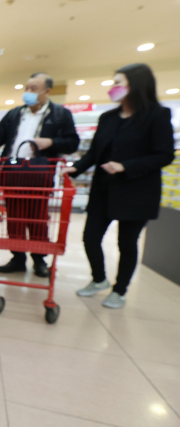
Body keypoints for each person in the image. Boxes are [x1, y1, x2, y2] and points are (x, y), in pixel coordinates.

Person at [63, 63, 175, 308]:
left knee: (126, 243)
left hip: (137, 191)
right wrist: (75, 168)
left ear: (136, 85)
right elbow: (94, 153)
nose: (112, 88)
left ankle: (119, 290)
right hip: (103, 188)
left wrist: (126, 166)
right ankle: (99, 279)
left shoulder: (157, 115)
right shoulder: (108, 118)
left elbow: (164, 155)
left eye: (117, 83)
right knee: (90, 237)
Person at [0, 72, 80, 277]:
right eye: (27, 88)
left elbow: (73, 142)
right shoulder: (14, 114)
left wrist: (51, 142)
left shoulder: (60, 115)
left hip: (40, 174)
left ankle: (39, 259)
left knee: (37, 217)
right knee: (15, 217)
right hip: (12, 171)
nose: (28, 92)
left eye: (33, 89)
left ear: (47, 91)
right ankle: (18, 258)